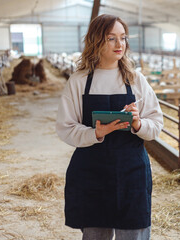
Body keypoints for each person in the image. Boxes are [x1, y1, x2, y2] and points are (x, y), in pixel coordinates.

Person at [56, 14, 163, 240]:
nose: (119, 44)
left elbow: (156, 125)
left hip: (132, 171)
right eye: (111, 38)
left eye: (123, 38)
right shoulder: (79, 81)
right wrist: (95, 133)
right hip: (91, 172)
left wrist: (138, 123)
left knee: (134, 233)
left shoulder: (135, 80)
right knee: (95, 234)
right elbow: (65, 128)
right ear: (96, 41)